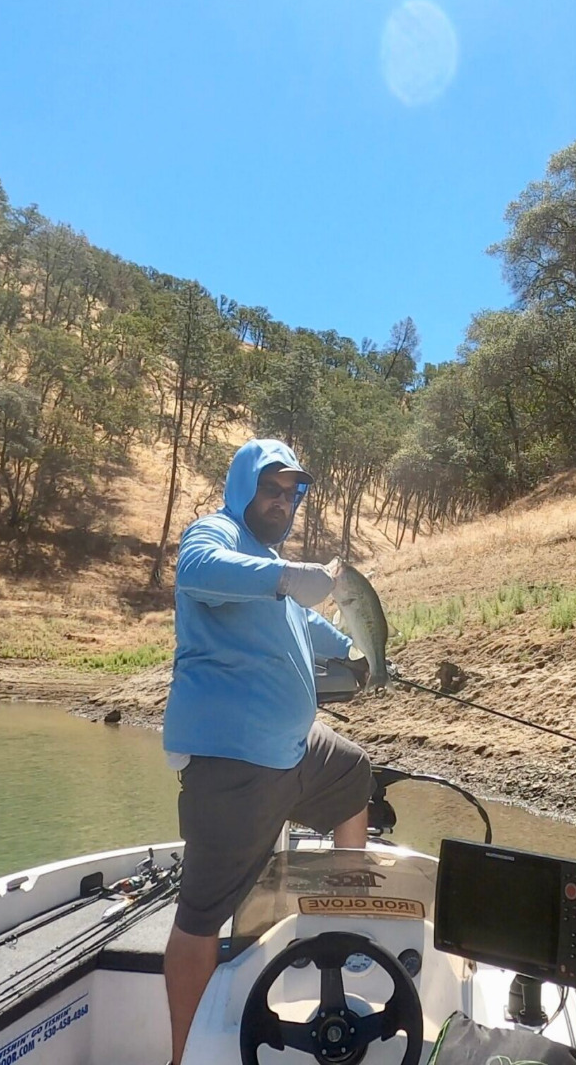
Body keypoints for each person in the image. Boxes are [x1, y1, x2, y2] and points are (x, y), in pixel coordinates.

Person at [162, 437, 372, 1065]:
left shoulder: (266, 561)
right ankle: (178, 1056)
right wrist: (287, 575)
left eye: (292, 493)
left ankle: (345, 918)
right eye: (270, 488)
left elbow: (305, 624)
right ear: (243, 486)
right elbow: (197, 573)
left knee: (355, 771)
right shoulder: (215, 535)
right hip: (232, 762)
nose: (282, 502)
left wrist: (353, 651)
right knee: (201, 914)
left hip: (292, 749)